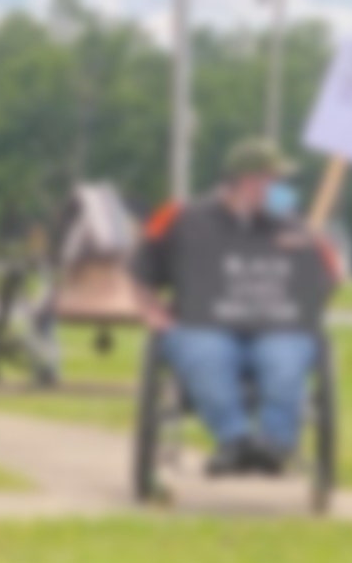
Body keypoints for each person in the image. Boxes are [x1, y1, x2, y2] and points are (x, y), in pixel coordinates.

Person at [134, 138, 340, 476]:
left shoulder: (292, 222)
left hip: (277, 328)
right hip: (203, 325)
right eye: (274, 179)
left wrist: (310, 257)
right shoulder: (182, 218)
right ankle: (235, 442)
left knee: (284, 360)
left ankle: (274, 446)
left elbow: (327, 281)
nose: (280, 187)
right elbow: (139, 269)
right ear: (248, 181)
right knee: (206, 355)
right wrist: (152, 312)